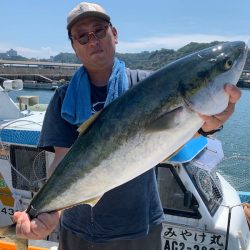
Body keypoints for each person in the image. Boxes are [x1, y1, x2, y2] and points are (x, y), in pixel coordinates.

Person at [13, 2, 242, 250]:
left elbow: (175, 137)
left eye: (99, 30)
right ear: (74, 47)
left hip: (138, 226)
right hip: (77, 227)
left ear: (114, 34)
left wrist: (208, 126)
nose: (93, 40)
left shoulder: (147, 85)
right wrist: (49, 210)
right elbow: (63, 157)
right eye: (82, 36)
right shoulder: (63, 98)